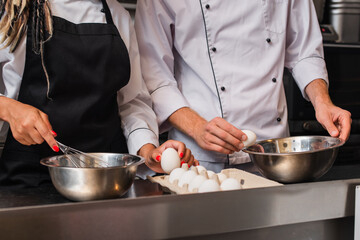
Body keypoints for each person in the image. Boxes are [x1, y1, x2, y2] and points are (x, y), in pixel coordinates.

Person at [134, 0, 352, 173]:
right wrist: (197, 128)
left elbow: (304, 52)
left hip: (273, 153)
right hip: (199, 159)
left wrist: (323, 101)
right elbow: (155, 77)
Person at [0, 0, 196, 189]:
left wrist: (148, 151)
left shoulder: (117, 15)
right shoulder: (14, 12)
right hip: (30, 180)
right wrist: (8, 109)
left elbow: (131, 102)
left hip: (106, 179)